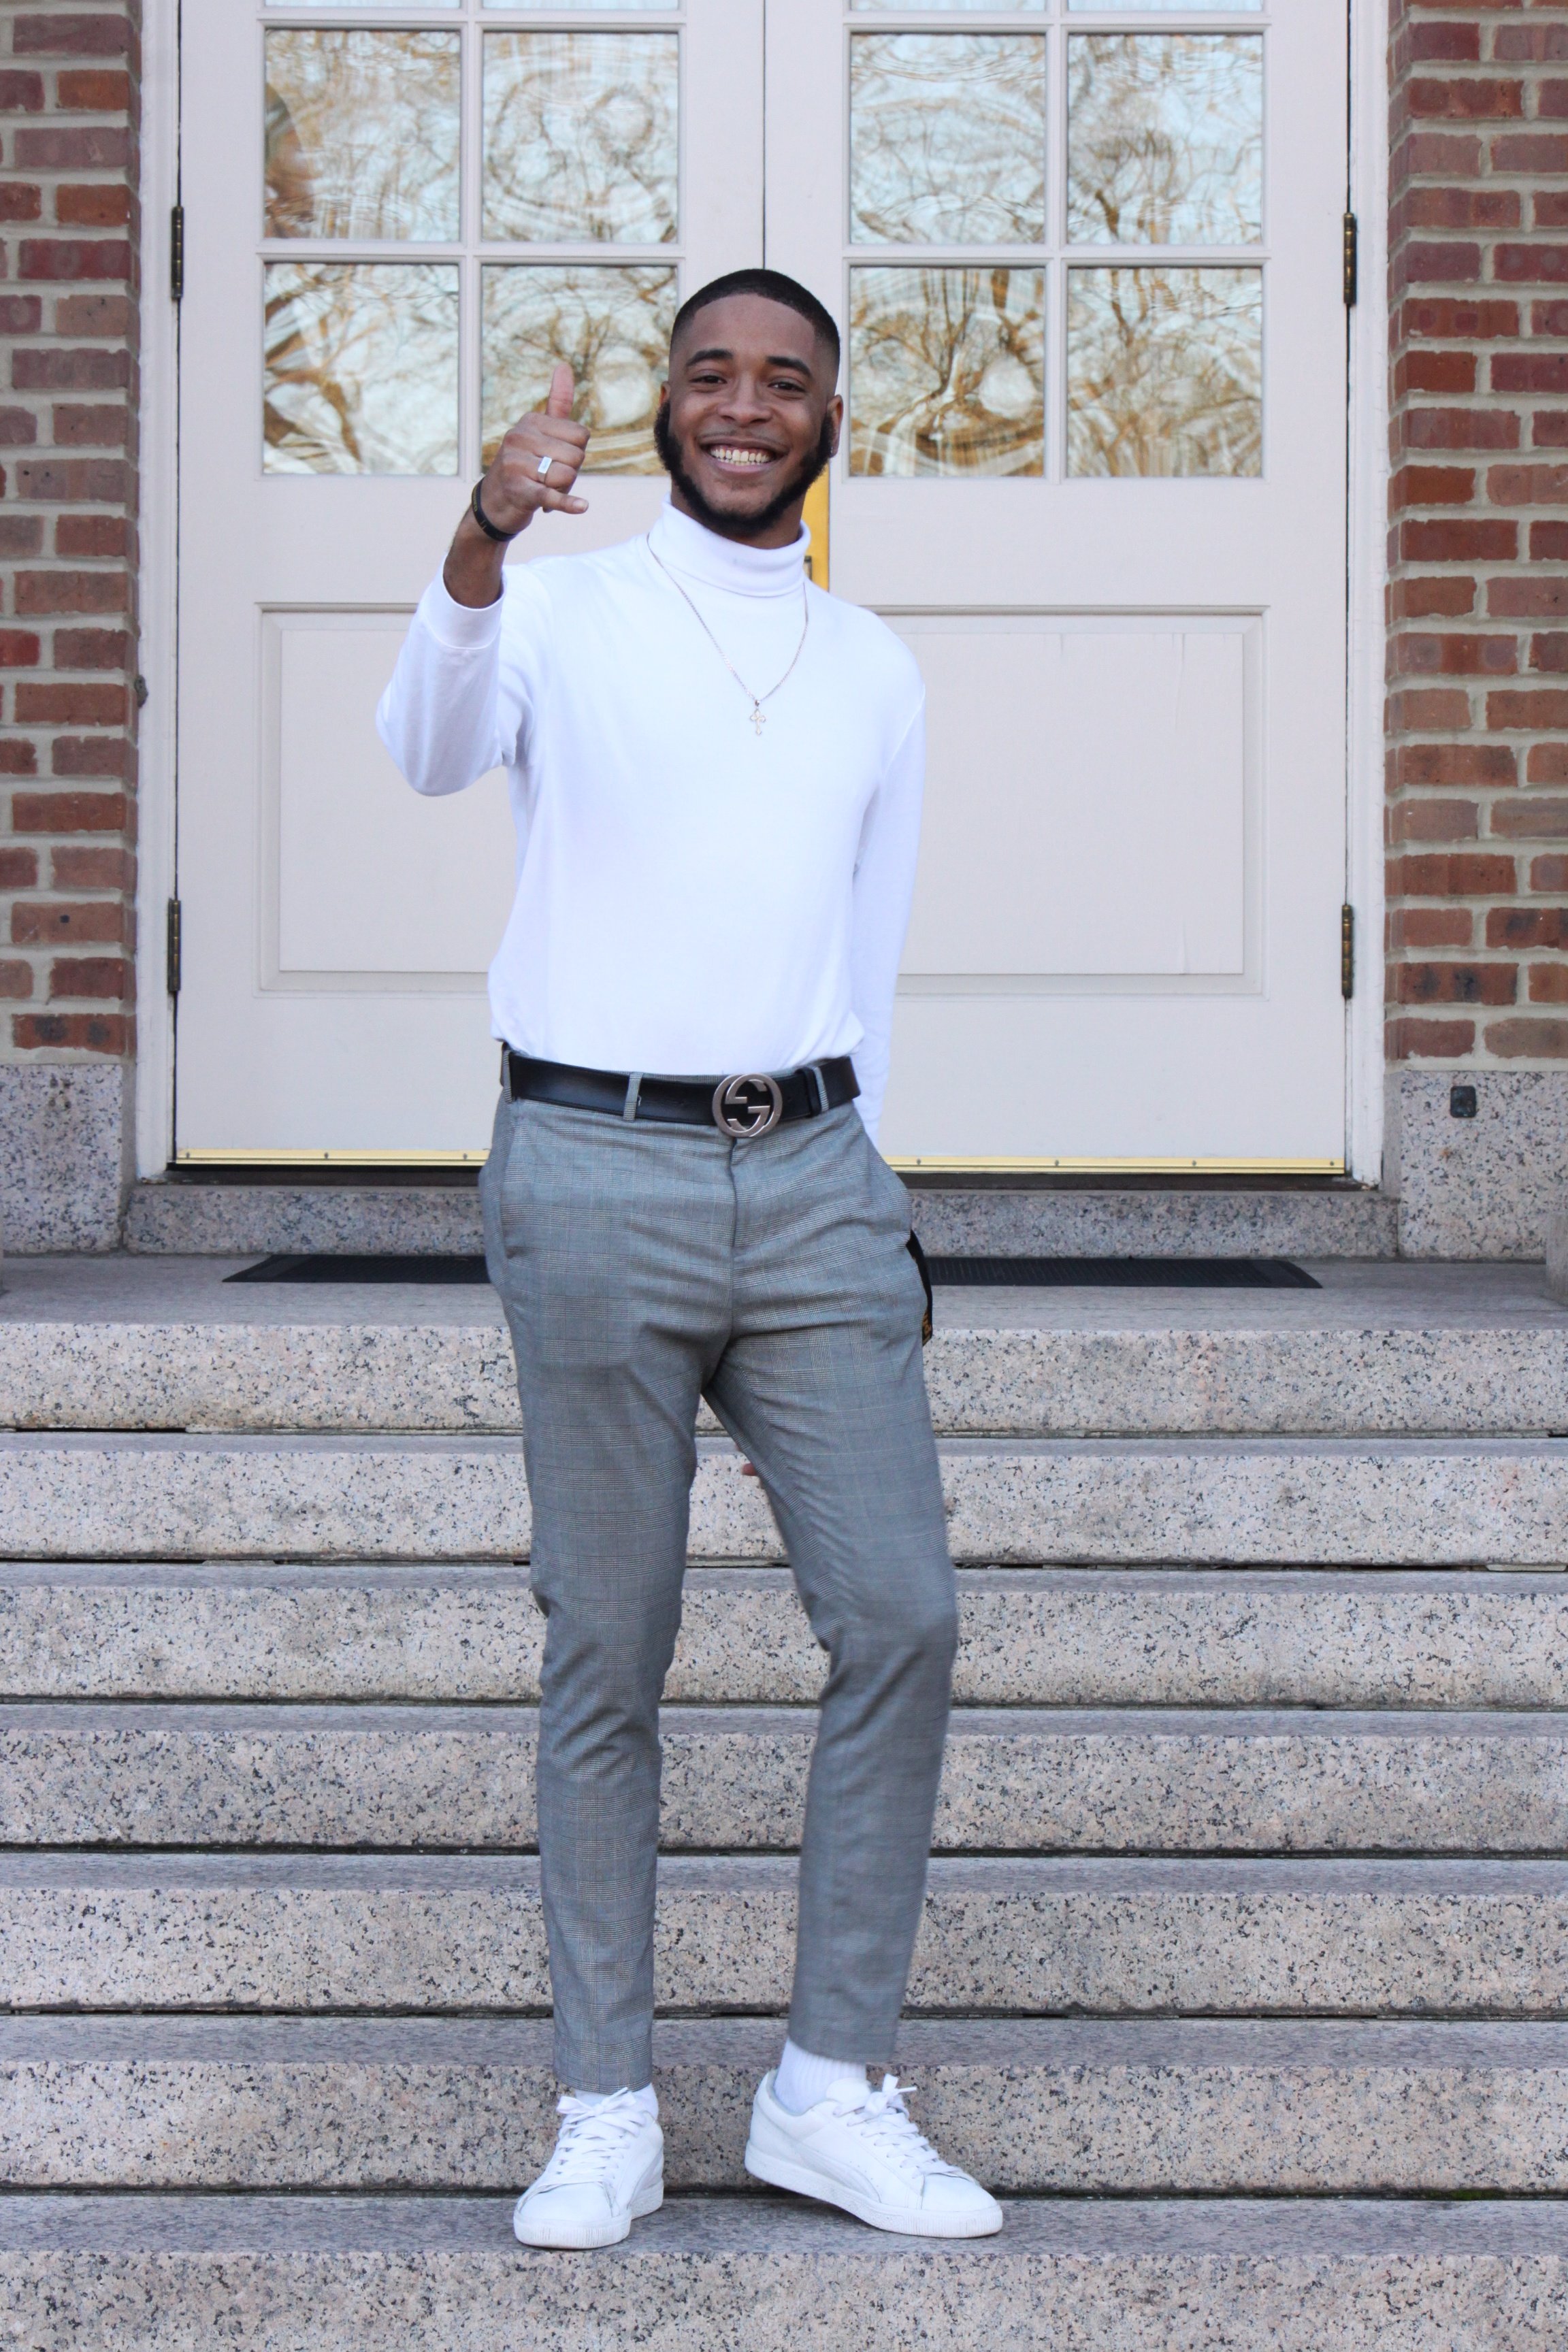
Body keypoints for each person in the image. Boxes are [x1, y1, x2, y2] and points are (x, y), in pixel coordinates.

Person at [378, 268, 1001, 2249]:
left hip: (815, 1175)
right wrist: (481, 531)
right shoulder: (556, 608)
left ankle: (828, 2085)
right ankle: (608, 2103)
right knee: (610, 1648)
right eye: (712, 375)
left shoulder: (874, 667)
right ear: (661, 406)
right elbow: (423, 742)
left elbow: (869, 947)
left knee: (900, 1611)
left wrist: (880, 1186)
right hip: (589, 1165)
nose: (746, 407)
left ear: (831, 418)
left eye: (786, 381)